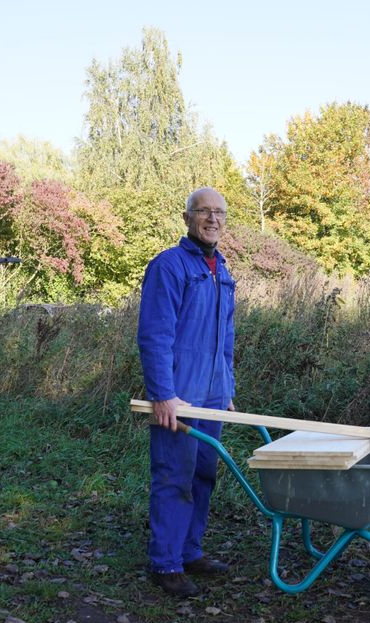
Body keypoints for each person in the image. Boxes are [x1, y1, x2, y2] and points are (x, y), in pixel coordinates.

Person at [137, 187, 236, 598]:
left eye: (219, 213)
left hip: (213, 395)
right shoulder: (170, 266)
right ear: (187, 218)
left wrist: (227, 386)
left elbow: (225, 336)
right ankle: (166, 563)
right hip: (179, 394)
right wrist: (162, 393)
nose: (212, 219)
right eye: (204, 212)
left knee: (203, 475)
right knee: (174, 476)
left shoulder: (223, 270)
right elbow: (154, 335)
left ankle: (191, 551)